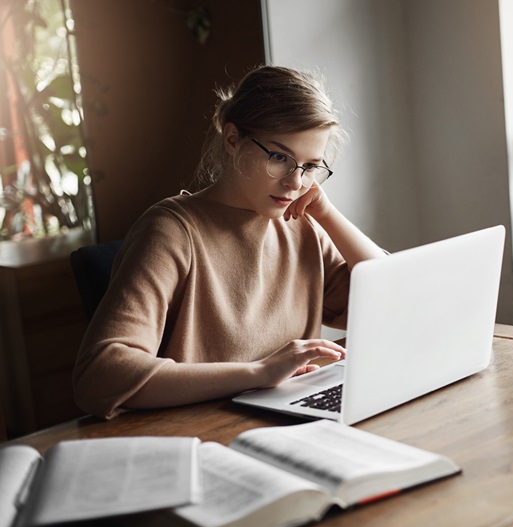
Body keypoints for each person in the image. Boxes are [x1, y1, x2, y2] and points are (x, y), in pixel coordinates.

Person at [73, 65, 386, 419]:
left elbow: (392, 302)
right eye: (280, 157)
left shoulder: (302, 226)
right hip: (205, 433)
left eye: (311, 166)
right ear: (233, 139)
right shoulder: (172, 232)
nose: (295, 182)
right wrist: (258, 373)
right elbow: (99, 375)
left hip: (293, 424)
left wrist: (328, 215)